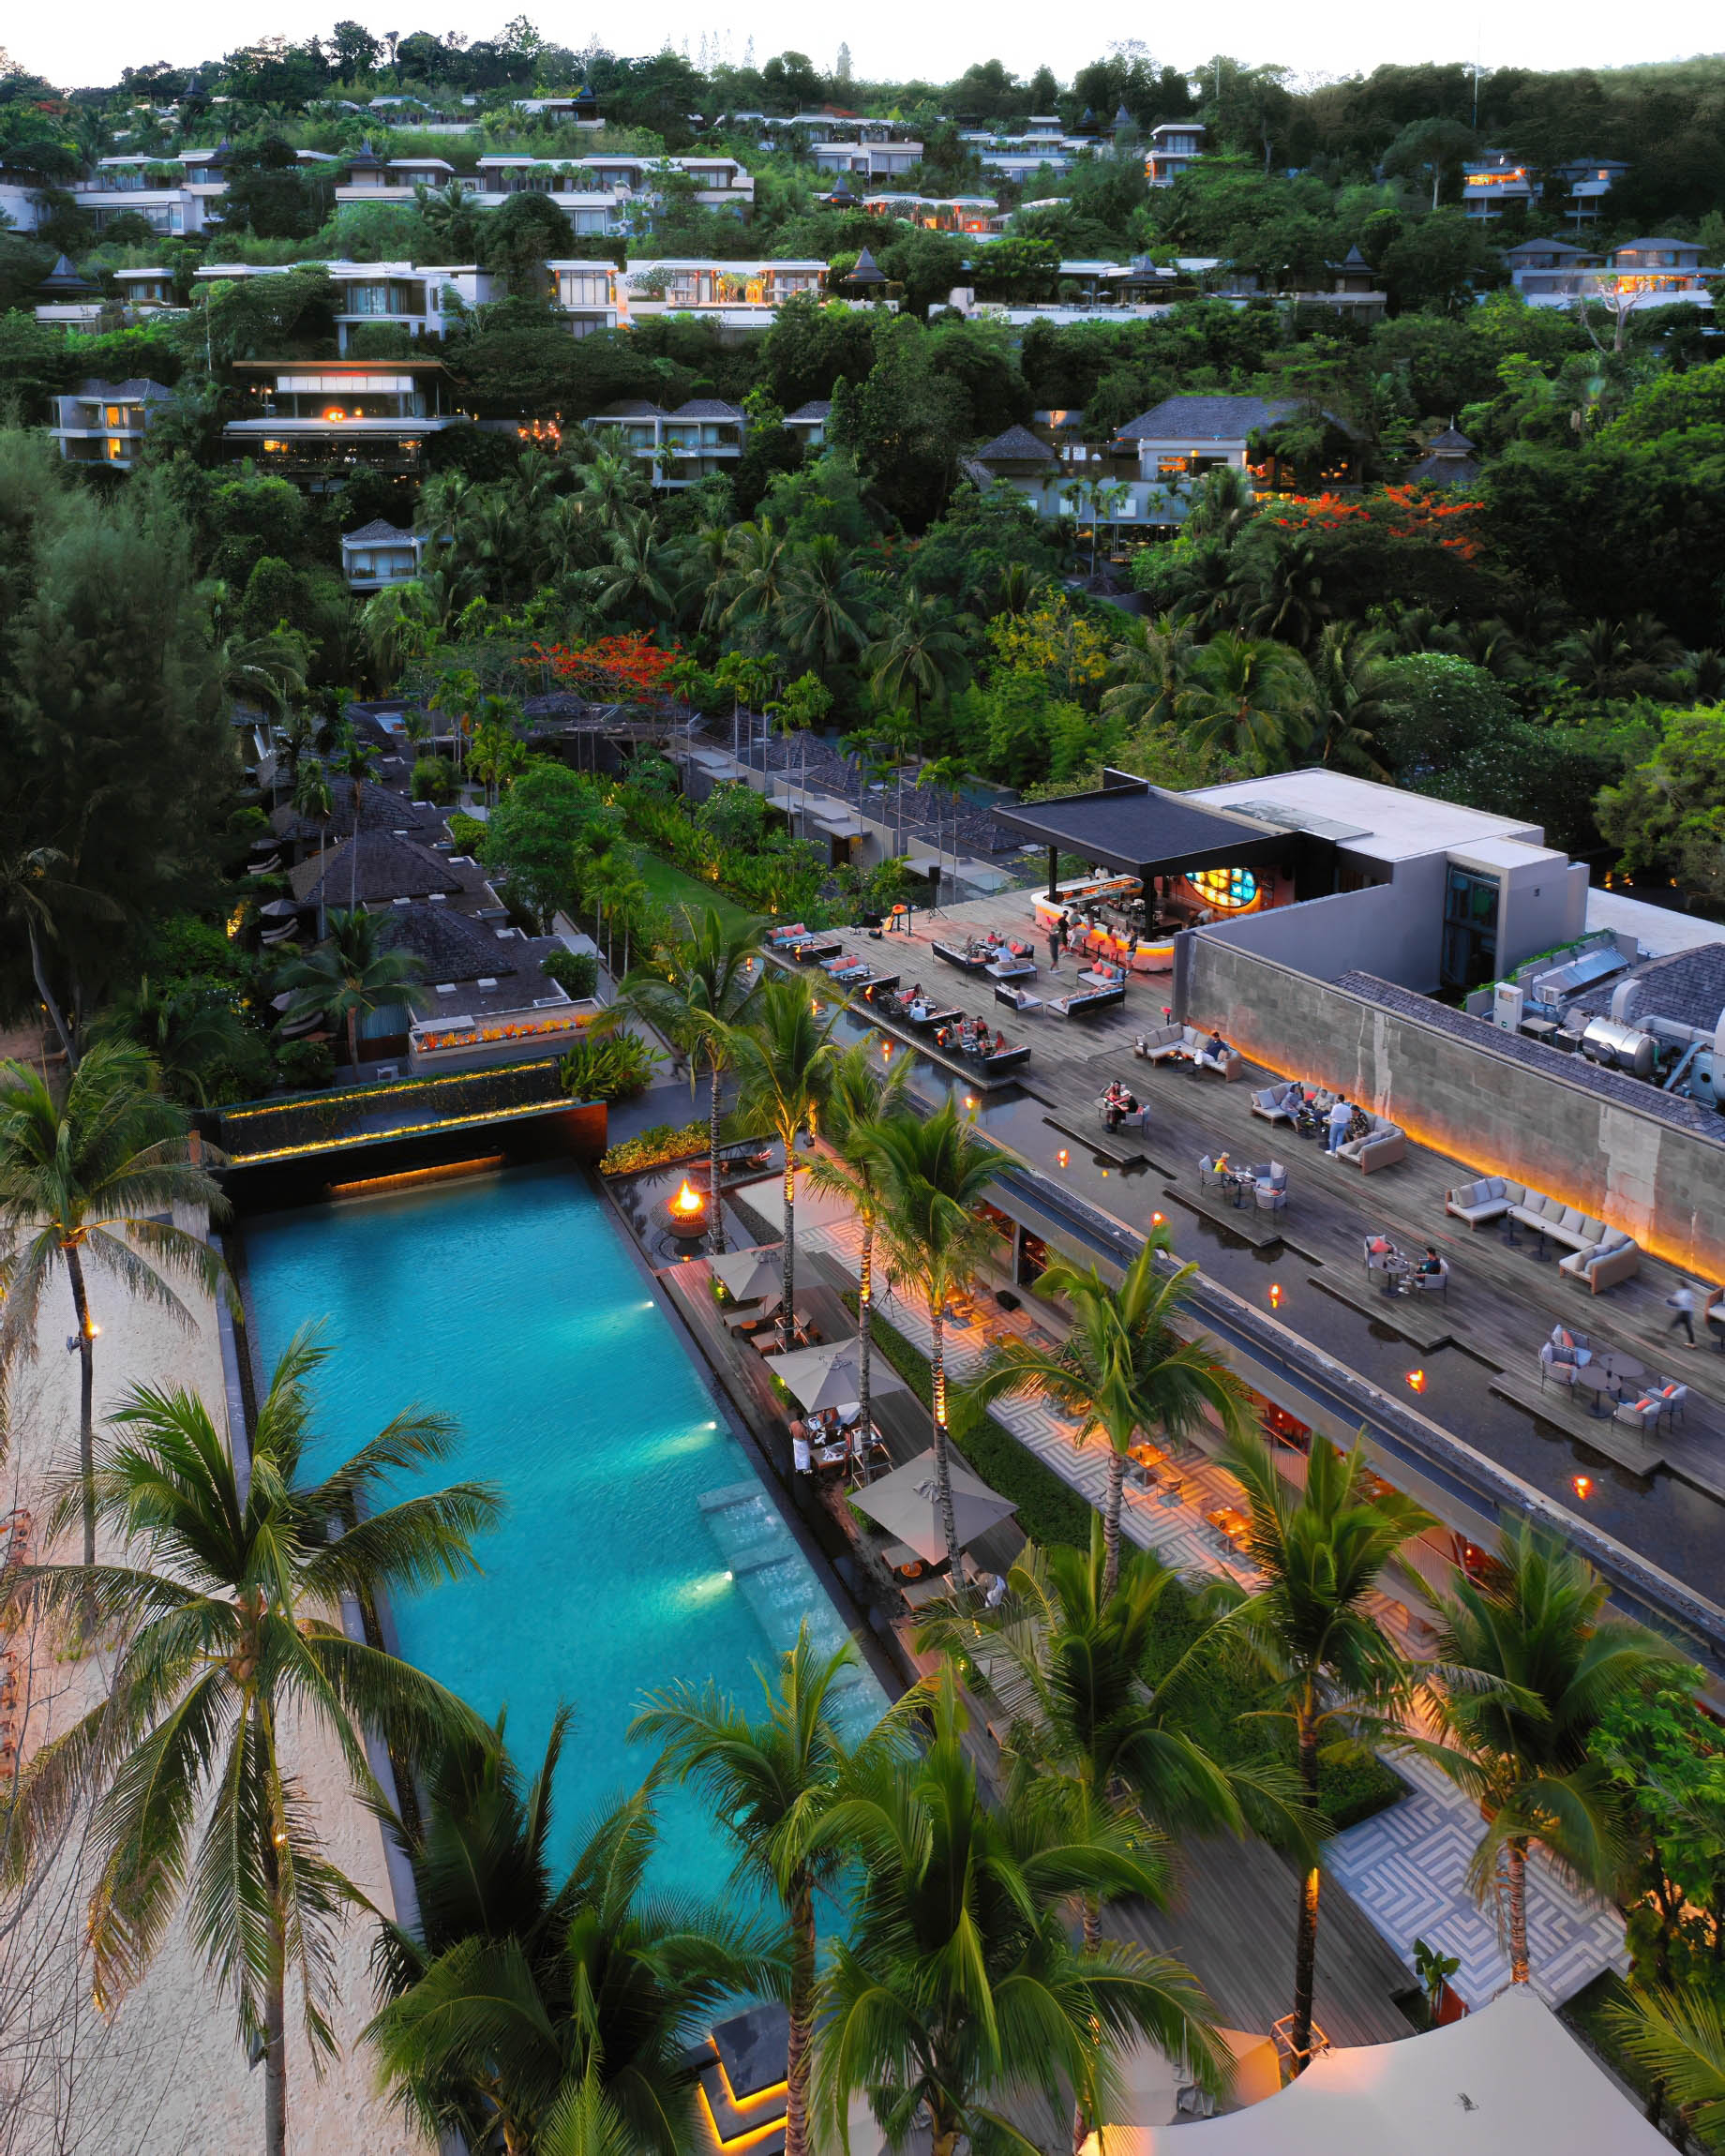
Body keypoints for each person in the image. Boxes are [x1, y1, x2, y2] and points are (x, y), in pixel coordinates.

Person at [1668, 1282, 1700, 1347]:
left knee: (1675, 1323)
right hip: (1689, 1312)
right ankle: (1692, 1343)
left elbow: (1676, 1301)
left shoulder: (1680, 1292)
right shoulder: (1689, 1293)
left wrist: (1670, 1301)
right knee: (1688, 1328)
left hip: (1683, 1312)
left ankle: (1665, 1334)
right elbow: (1692, 1302)